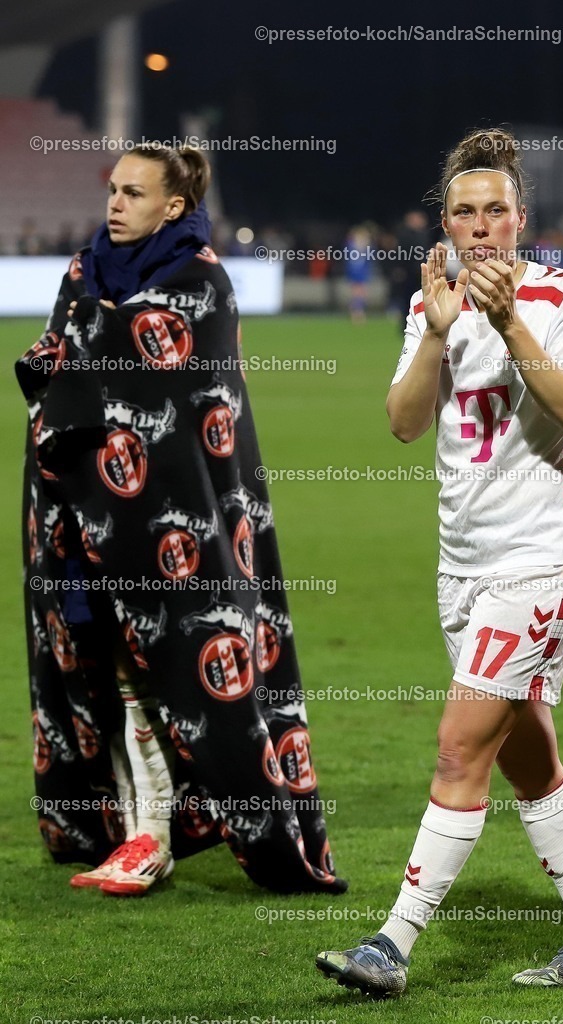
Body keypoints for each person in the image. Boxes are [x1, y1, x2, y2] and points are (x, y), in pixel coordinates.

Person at [316, 127, 563, 992]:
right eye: (464, 213)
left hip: (542, 558)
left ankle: (390, 943)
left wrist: (506, 322)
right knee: (527, 757)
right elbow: (403, 423)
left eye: (496, 211)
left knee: (460, 750)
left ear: (520, 218)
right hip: (461, 566)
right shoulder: (428, 306)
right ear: (444, 226)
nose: (481, 226)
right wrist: (436, 337)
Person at [17, 144, 345, 898]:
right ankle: (141, 832)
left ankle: (166, 833)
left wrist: (90, 354)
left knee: (174, 673)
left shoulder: (203, 284)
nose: (116, 203)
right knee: (108, 666)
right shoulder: (83, 272)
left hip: (174, 525)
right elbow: (48, 362)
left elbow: (162, 388)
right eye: (113, 189)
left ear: (173, 206)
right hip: (80, 511)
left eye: (135, 193)